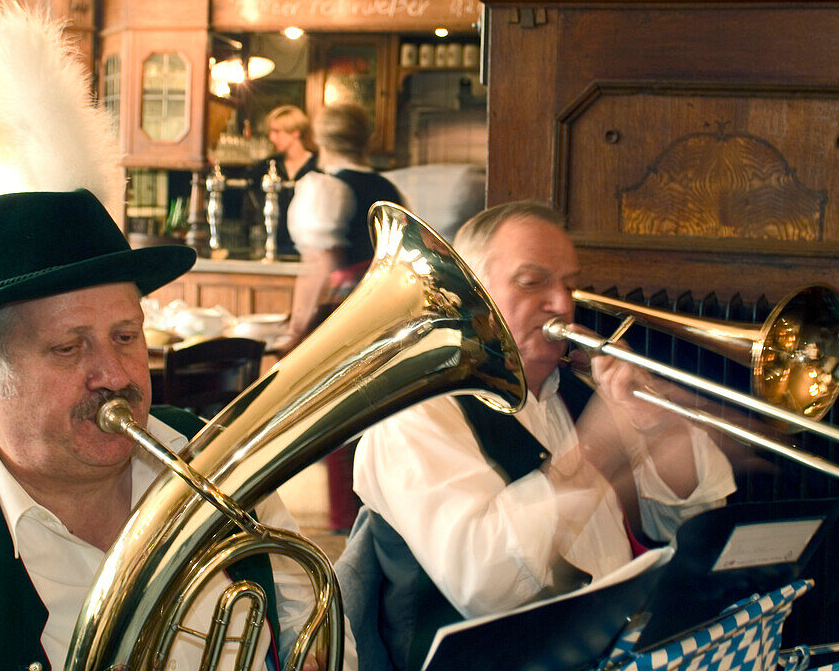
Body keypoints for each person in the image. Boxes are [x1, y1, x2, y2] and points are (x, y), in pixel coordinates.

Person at [0, 189, 358, 671]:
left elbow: (316, 625)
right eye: (69, 348)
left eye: (125, 336)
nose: (116, 376)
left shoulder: (213, 459)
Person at [345, 201, 737, 671]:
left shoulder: (574, 389)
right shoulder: (415, 417)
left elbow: (688, 521)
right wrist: (595, 448)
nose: (563, 305)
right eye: (532, 282)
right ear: (473, 293)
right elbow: (486, 584)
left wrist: (659, 422)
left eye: (570, 284)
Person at [280, 102, 404, 532]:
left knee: (335, 416)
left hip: (342, 311)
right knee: (377, 415)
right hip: (385, 310)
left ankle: (342, 524)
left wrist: (297, 327)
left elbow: (320, 265)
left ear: (320, 139)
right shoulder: (390, 185)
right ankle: (377, 512)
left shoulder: (323, 188)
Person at [253, 105, 320, 258]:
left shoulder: (317, 165)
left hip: (310, 249)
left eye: (277, 131)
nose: (271, 137)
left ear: (295, 132)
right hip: (274, 245)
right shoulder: (268, 165)